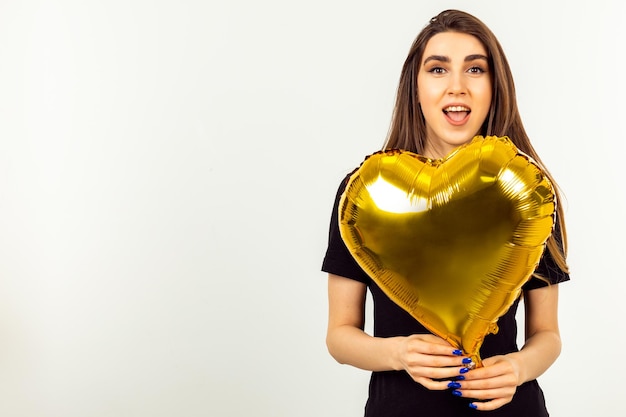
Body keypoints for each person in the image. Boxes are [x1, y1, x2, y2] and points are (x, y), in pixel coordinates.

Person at [321, 9, 570, 417]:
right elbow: (339, 336)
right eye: (438, 70)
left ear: (495, 87)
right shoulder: (368, 192)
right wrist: (399, 352)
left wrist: (517, 366)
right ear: (415, 88)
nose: (457, 87)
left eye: (475, 69)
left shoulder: (526, 191)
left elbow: (547, 334)